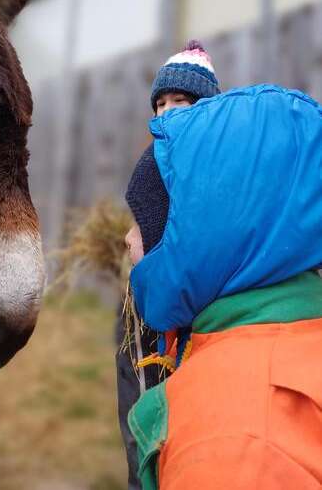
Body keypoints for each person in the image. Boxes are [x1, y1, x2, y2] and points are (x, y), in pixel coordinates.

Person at [126, 81, 322, 490]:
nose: (129, 238)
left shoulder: (234, 449)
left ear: (203, 237)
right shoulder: (296, 335)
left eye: (145, 223)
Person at [117, 40, 221, 490]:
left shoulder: (213, 165)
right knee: (142, 410)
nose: (167, 111)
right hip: (145, 315)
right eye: (160, 103)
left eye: (181, 100)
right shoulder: (155, 162)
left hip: (186, 314)